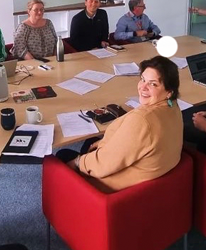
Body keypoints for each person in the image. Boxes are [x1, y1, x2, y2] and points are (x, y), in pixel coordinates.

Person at [57, 56, 183, 191]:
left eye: (153, 84)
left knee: (63, 155)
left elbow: (104, 164)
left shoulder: (142, 121)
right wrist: (100, 144)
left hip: (113, 186)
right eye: (143, 79)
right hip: (150, 169)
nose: (143, 87)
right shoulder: (172, 106)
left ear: (169, 91)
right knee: (91, 142)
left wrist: (78, 162)